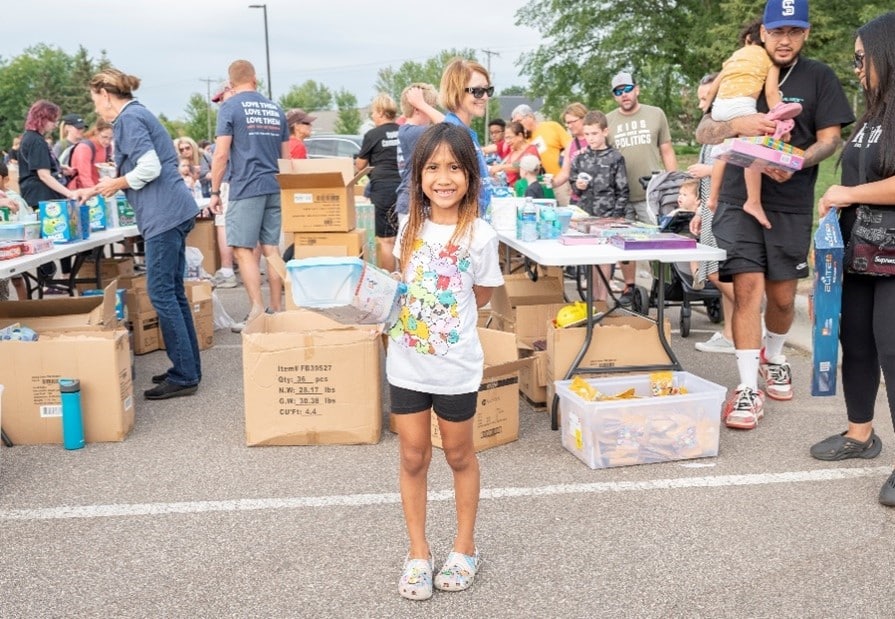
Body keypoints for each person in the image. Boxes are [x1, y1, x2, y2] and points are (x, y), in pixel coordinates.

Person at [695, 0, 854, 430]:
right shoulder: (741, 67)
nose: (785, 40)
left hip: (791, 199)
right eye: (777, 31)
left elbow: (831, 139)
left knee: (782, 297)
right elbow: (704, 130)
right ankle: (747, 387)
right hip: (735, 197)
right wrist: (735, 128)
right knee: (748, 290)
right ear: (762, 32)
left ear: (805, 34)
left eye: (794, 31)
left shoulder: (819, 76)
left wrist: (798, 161)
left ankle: (775, 355)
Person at [387, 123, 503, 601]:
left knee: (459, 455)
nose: (443, 177)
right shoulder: (407, 229)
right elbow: (401, 286)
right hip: (406, 364)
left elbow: (480, 293)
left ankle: (464, 547)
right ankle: (418, 552)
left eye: (454, 167)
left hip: (455, 367)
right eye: (433, 167)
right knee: (413, 456)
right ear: (418, 178)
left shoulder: (480, 233)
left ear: (470, 177)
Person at [809, 12, 895, 506]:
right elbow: (848, 196)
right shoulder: (871, 116)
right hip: (858, 255)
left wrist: (846, 191)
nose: (857, 69)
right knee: (855, 342)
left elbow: (854, 190)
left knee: (893, 349)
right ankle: (860, 435)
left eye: (863, 59)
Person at [75, 67, 202, 400]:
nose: (96, 107)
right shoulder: (138, 114)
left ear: (105, 94)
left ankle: (185, 374)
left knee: (161, 293)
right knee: (171, 291)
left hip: (164, 214)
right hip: (174, 210)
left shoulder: (128, 120)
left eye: (95, 99)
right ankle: (187, 368)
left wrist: (114, 183)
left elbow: (149, 168)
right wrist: (103, 187)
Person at [208, 59, 289, 330]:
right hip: (274, 184)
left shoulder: (230, 107)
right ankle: (278, 308)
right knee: (270, 248)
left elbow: (220, 154)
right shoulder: (276, 108)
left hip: (246, 186)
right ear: (255, 79)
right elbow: (286, 157)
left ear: (230, 84)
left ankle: (256, 311)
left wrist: (215, 191)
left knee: (243, 250)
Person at [702, 17, 796, 230]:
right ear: (764, 37)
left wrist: (707, 103)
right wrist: (779, 114)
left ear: (746, 40)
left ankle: (713, 197)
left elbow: (716, 82)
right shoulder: (769, 59)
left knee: (720, 153)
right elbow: (771, 93)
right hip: (741, 106)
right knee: (750, 152)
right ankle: (753, 201)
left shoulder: (735, 56)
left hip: (719, 106)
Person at [607, 71, 678, 306]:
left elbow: (666, 150)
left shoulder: (655, 114)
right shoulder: (608, 121)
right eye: (618, 92)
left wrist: (675, 183)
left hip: (651, 192)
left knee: (658, 241)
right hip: (621, 195)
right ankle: (629, 287)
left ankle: (662, 287)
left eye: (627, 89)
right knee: (625, 244)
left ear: (637, 89)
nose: (624, 95)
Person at [407, 58, 494, 216]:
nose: (485, 97)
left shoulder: (465, 132)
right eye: (478, 91)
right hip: (462, 226)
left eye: (488, 90)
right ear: (456, 91)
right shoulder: (452, 134)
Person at [689, 72, 737, 354]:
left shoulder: (733, 127)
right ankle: (731, 335)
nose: (700, 105)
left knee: (720, 273)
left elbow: (741, 164)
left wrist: (708, 171)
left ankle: (752, 318)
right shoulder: (711, 131)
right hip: (708, 208)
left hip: (725, 210)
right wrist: (697, 210)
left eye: (705, 98)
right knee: (720, 274)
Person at [570, 110, 629, 302]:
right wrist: (577, 186)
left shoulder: (615, 158)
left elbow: (622, 189)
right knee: (590, 259)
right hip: (585, 215)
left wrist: (618, 216)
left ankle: (602, 300)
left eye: (594, 133)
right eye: (587, 134)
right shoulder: (580, 157)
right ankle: (592, 301)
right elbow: (574, 187)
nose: (590, 138)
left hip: (607, 216)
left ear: (605, 132)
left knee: (604, 259)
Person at [355, 93, 401, 272]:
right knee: (404, 238)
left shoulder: (372, 135)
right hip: (404, 187)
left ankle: (390, 282)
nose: (372, 116)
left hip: (382, 188)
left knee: (386, 240)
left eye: (373, 112)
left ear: (381, 112)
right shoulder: (403, 131)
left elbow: (360, 165)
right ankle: (407, 281)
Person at [207, 81, 238, 290]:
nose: (220, 104)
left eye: (222, 98)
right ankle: (247, 269)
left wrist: (214, 190)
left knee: (223, 224)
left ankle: (227, 270)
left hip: (230, 179)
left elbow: (221, 154)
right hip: (249, 180)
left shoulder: (230, 114)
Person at [395, 83, 438, 228]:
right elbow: (453, 128)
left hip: (413, 202)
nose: (433, 112)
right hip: (414, 204)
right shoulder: (415, 132)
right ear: (417, 109)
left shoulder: (407, 130)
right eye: (431, 107)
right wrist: (422, 104)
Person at [511, 103, 571, 204]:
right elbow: (517, 162)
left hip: (560, 181)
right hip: (540, 185)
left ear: (530, 117)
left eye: (519, 121)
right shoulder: (524, 140)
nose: (517, 125)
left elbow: (570, 146)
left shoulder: (552, 126)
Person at [0, 160, 31, 301]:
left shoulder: (12, 198)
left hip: (11, 248)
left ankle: (22, 311)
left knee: (16, 281)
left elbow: (25, 224)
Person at [550, 102, 589, 205]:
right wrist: (552, 182)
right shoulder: (571, 144)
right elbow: (565, 172)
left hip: (596, 198)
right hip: (577, 198)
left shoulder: (596, 138)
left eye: (572, 122)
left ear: (583, 118)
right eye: (567, 123)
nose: (569, 126)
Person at [488, 120, 539, 187]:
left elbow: (521, 165)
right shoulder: (512, 152)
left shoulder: (531, 149)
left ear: (520, 136)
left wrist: (501, 167)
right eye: (506, 138)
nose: (507, 141)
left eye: (509, 137)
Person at [67, 119, 114, 190]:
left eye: (111, 138)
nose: (107, 141)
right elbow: (84, 177)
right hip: (82, 191)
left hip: (98, 188)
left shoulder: (107, 147)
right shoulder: (85, 148)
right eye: (104, 137)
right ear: (96, 132)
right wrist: (95, 194)